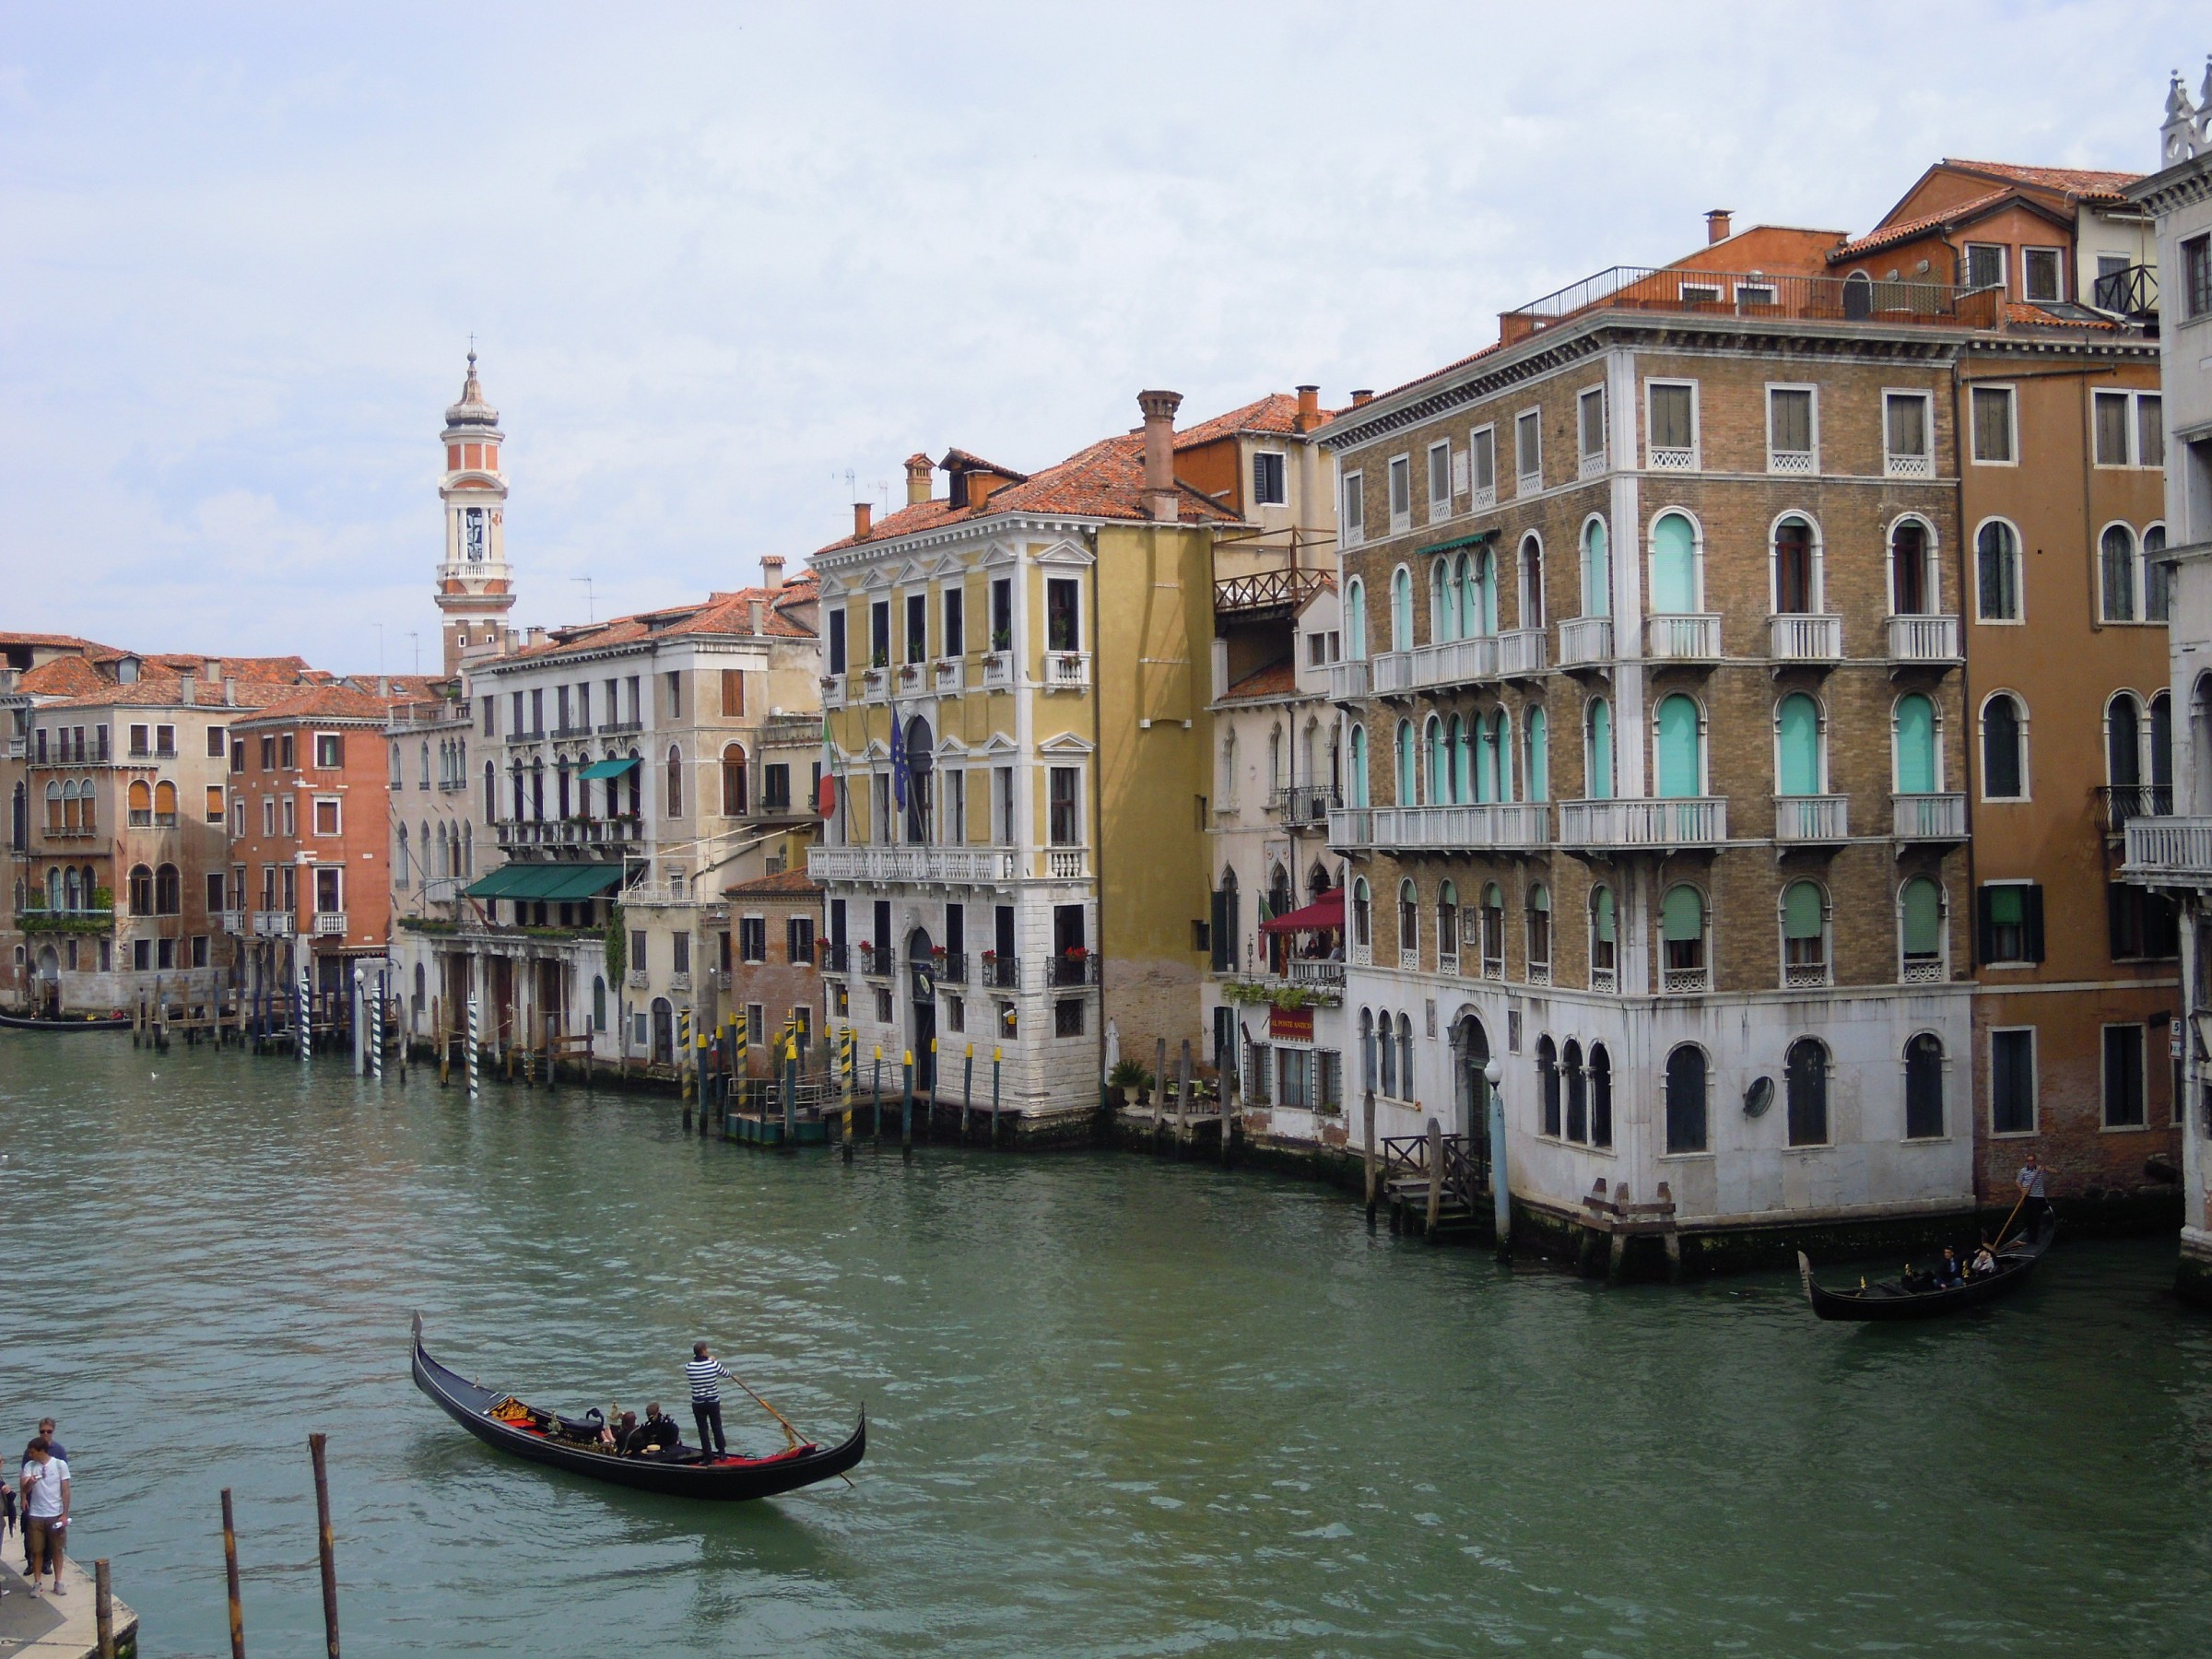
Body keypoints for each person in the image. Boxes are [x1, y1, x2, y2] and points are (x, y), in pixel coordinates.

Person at [19, 1437, 68, 1596]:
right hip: (36, 1514)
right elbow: (24, 1489)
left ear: (41, 1451)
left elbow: (66, 1491)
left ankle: (58, 1581)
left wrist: (65, 1514)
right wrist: (30, 1483)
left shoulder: (60, 1465)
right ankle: (37, 1582)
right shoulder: (30, 1466)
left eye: (32, 1452)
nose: (30, 1455)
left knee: (57, 1549)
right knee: (37, 1549)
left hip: (55, 1513)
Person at [685, 1342, 735, 1455]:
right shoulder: (713, 1365)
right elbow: (727, 1374)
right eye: (706, 1350)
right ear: (703, 1351)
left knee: (703, 1431)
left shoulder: (689, 1367)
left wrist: (708, 1360)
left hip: (698, 1403)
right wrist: (711, 1361)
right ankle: (722, 1453)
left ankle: (708, 1457)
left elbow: (696, 1362)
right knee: (717, 1427)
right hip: (713, 1402)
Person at [2017, 1154, 2051, 1239]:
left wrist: (2045, 1167)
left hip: (2038, 1196)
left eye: (2032, 1160)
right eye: (2029, 1160)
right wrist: (2023, 1190)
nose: (2030, 1162)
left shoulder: (2040, 1169)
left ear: (2035, 1161)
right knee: (2028, 1216)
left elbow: (2054, 1171)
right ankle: (2030, 1234)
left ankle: (2035, 1235)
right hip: (2027, 1196)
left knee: (2036, 1217)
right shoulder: (2023, 1171)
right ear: (2027, 1162)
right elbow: (2018, 1182)